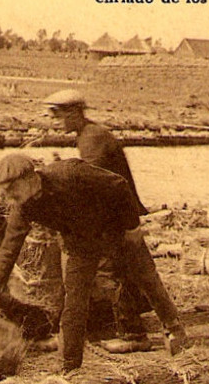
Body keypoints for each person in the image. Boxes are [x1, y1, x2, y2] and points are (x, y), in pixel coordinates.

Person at [43, 89, 188, 355]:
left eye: (56, 115)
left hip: (117, 220)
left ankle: (135, 334)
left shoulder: (92, 139)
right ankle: (171, 327)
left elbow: (93, 181)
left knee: (118, 273)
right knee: (141, 274)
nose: (53, 121)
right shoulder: (89, 136)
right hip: (120, 217)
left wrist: (57, 173)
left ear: (74, 112)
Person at [0, 154, 144, 373]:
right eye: (5, 195)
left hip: (116, 226)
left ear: (30, 180)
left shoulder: (68, 174)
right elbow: (7, 250)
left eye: (12, 193)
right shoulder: (24, 206)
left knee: (147, 277)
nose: (10, 200)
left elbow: (119, 183)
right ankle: (69, 368)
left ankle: (174, 332)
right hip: (80, 244)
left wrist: (133, 227)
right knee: (73, 305)